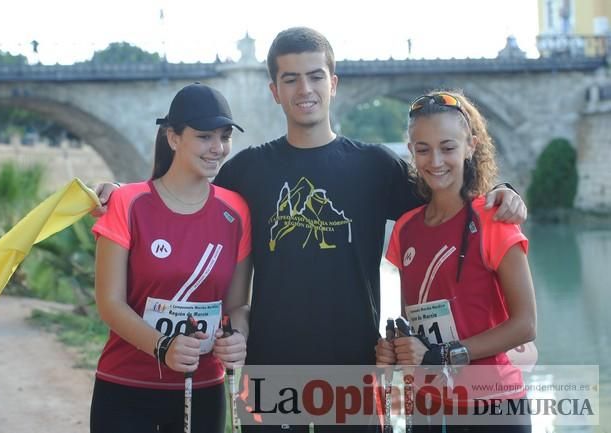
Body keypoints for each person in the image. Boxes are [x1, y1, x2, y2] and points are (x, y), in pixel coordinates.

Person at [94, 27, 527, 432]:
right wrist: (123, 190)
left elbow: (445, 191)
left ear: (333, 83)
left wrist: (501, 191)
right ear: (274, 91)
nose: (305, 90)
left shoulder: (376, 166)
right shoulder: (246, 170)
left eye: (315, 76)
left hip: (355, 369)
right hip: (270, 370)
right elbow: (178, 194)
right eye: (291, 79)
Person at [90, 83, 252, 433]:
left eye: (224, 136)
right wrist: (163, 347)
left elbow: (237, 304)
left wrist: (239, 335)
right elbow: (109, 302)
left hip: (204, 389)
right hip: (125, 389)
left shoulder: (236, 211)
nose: (218, 148)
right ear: (173, 137)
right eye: (205, 136)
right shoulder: (126, 202)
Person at [375, 91, 536, 432]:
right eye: (423, 149)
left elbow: (525, 325)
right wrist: (397, 347)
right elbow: (413, 319)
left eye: (448, 147)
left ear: (471, 146)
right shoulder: (405, 227)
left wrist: (444, 354)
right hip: (430, 405)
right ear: (411, 152)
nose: (435, 160)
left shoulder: (494, 218)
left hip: (495, 405)